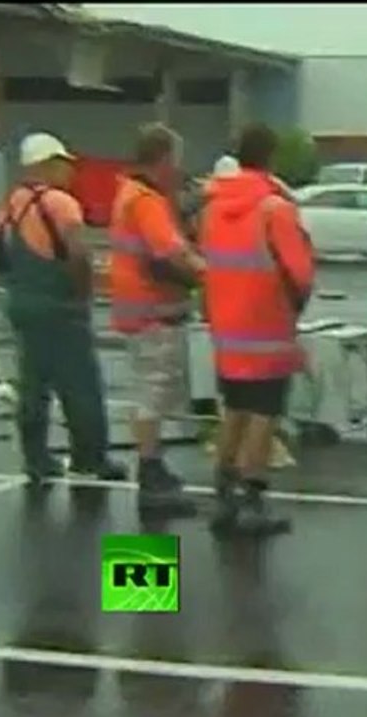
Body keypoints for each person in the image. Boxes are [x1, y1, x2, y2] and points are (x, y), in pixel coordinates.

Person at [0, 133, 126, 485]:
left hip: (22, 303)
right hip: (60, 306)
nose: (69, 171)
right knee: (80, 383)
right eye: (64, 164)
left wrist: (20, 285)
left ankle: (36, 459)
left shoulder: (9, 205)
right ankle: (90, 458)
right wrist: (83, 294)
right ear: (46, 165)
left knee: (33, 385)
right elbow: (77, 255)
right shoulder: (60, 203)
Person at [201, 123, 315, 534]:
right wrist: (295, 305)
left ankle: (224, 493)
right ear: (271, 157)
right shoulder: (274, 209)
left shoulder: (214, 207)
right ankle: (252, 497)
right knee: (264, 414)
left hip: (227, 327)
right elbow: (299, 272)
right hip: (267, 325)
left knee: (234, 409)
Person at [109, 123, 206, 515]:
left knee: (151, 390)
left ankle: (153, 466)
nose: (178, 168)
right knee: (152, 391)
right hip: (153, 313)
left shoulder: (130, 193)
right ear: (164, 159)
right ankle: (150, 476)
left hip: (140, 311)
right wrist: (210, 274)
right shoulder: (146, 200)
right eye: (176, 160)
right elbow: (171, 252)